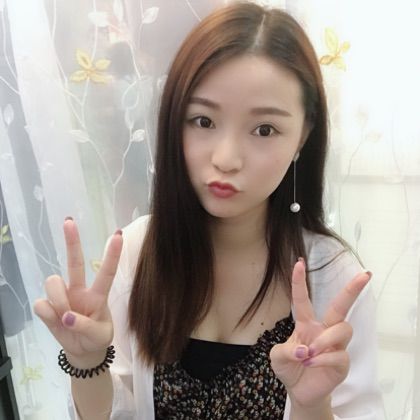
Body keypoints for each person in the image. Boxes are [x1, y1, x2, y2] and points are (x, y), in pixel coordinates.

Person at [33, 2, 385, 419]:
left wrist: (312, 405)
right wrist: (88, 362)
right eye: (203, 121)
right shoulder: (138, 251)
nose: (226, 158)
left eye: (264, 129)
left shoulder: (332, 278)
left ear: (303, 136)